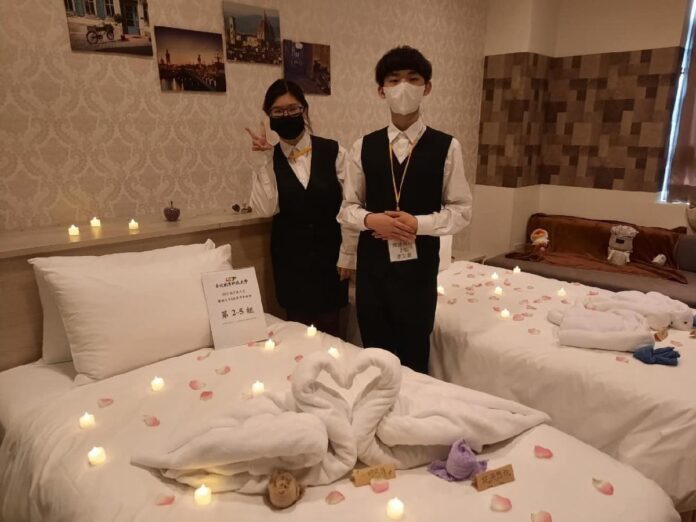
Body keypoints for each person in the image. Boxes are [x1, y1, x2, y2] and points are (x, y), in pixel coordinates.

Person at [338, 46, 473, 373]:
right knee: (375, 355)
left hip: (419, 270)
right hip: (373, 271)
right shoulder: (362, 146)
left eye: (413, 79)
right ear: (381, 90)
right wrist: (372, 219)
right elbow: (348, 208)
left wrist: (419, 224)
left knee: (414, 354)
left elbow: (461, 210)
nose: (403, 87)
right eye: (394, 80)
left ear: (426, 88)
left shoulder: (447, 147)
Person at [247, 79, 356, 337]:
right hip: (290, 263)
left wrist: (348, 255)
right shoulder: (268, 158)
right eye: (278, 111)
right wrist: (263, 161)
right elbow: (266, 209)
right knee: (297, 336)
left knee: (332, 336)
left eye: (292, 109)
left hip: (331, 260)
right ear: (269, 116)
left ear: (304, 110)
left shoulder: (334, 151)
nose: (286, 116)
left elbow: (351, 204)